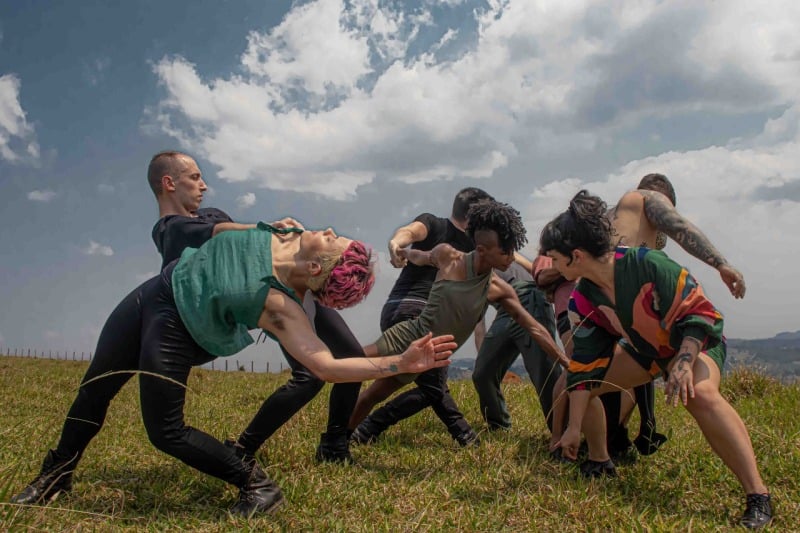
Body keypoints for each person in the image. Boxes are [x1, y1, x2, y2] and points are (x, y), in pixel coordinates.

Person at [11, 210, 459, 518]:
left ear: (319, 266)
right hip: (155, 291)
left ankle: (256, 483)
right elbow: (221, 234)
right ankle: (56, 474)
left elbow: (324, 365)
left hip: (178, 326)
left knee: (165, 431)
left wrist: (399, 361)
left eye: (332, 240)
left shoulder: (283, 306)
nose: (327, 229)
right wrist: (259, 224)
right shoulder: (285, 231)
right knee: (96, 385)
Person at [540, 190, 771, 529]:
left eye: (555, 259)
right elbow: (585, 367)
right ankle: (600, 460)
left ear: (575, 256)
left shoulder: (647, 263)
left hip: (696, 342)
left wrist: (681, 364)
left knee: (701, 395)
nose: (553, 267)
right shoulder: (583, 299)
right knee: (582, 384)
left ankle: (758, 495)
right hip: (646, 351)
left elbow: (701, 314)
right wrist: (573, 429)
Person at [147, 150, 364, 463]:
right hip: (272, 299)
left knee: (352, 357)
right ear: (169, 183)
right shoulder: (170, 229)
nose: (204, 186)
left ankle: (334, 443)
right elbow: (220, 245)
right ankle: (244, 449)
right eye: (195, 178)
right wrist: (269, 228)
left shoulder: (213, 214)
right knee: (310, 376)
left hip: (296, 283)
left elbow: (247, 250)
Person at [350, 201, 569, 444]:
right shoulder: (449, 256)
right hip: (407, 335)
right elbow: (422, 256)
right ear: (482, 249)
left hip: (431, 355)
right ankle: (337, 439)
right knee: (349, 365)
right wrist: (402, 253)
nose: (511, 258)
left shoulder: (498, 289)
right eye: (505, 252)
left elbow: (535, 328)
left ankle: (345, 438)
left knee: (376, 394)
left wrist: (566, 361)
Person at [348, 187, 494, 446]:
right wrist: (397, 242)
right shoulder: (435, 225)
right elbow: (411, 230)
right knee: (434, 383)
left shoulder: (477, 248)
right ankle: (465, 435)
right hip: (416, 311)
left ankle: (348, 433)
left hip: (402, 309)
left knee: (389, 387)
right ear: (475, 217)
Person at [471, 255, 562, 431]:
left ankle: (563, 432)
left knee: (544, 371)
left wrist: (544, 288)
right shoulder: (467, 278)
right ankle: (498, 426)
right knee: (482, 374)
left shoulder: (491, 248)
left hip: (529, 296)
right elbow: (479, 327)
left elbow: (525, 263)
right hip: (505, 311)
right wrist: (485, 358)